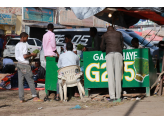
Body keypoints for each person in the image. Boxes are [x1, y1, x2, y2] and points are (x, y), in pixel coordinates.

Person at [15, 32, 43, 103]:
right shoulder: (24, 45)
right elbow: (24, 56)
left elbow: (20, 56)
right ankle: (35, 96)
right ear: (23, 37)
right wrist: (32, 54)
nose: (27, 39)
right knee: (30, 80)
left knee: (20, 82)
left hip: (19, 64)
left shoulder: (17, 45)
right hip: (25, 65)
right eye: (27, 37)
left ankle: (21, 98)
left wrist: (30, 56)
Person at [100, 26, 124, 102]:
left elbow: (102, 48)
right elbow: (122, 45)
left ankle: (112, 97)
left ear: (107, 30)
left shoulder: (105, 35)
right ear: (114, 29)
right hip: (118, 54)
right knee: (118, 76)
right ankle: (118, 96)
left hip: (109, 54)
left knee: (110, 76)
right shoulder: (119, 34)